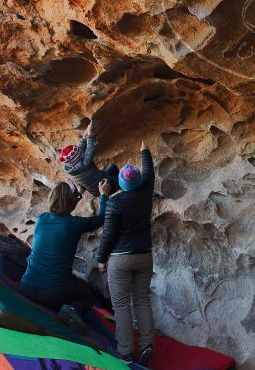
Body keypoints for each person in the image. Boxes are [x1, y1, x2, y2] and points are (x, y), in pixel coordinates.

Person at [18, 178, 112, 331]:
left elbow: (65, 207)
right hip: (53, 292)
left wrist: (78, 194)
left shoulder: (42, 219)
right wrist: (104, 195)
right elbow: (101, 218)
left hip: (26, 287)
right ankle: (71, 312)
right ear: (71, 201)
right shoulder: (74, 224)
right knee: (88, 296)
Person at [97, 141, 155, 365]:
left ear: (120, 183)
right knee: (142, 300)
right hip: (144, 255)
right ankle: (147, 344)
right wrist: (144, 151)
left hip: (120, 258)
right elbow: (149, 172)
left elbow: (108, 235)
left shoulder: (115, 203)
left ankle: (126, 351)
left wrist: (101, 259)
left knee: (121, 305)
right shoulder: (146, 192)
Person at [59, 121, 119, 197]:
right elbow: (90, 149)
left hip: (96, 188)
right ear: (78, 157)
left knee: (112, 167)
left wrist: (86, 133)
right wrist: (90, 134)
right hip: (104, 186)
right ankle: (126, 188)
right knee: (126, 176)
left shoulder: (69, 167)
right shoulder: (85, 164)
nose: (81, 151)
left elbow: (80, 148)